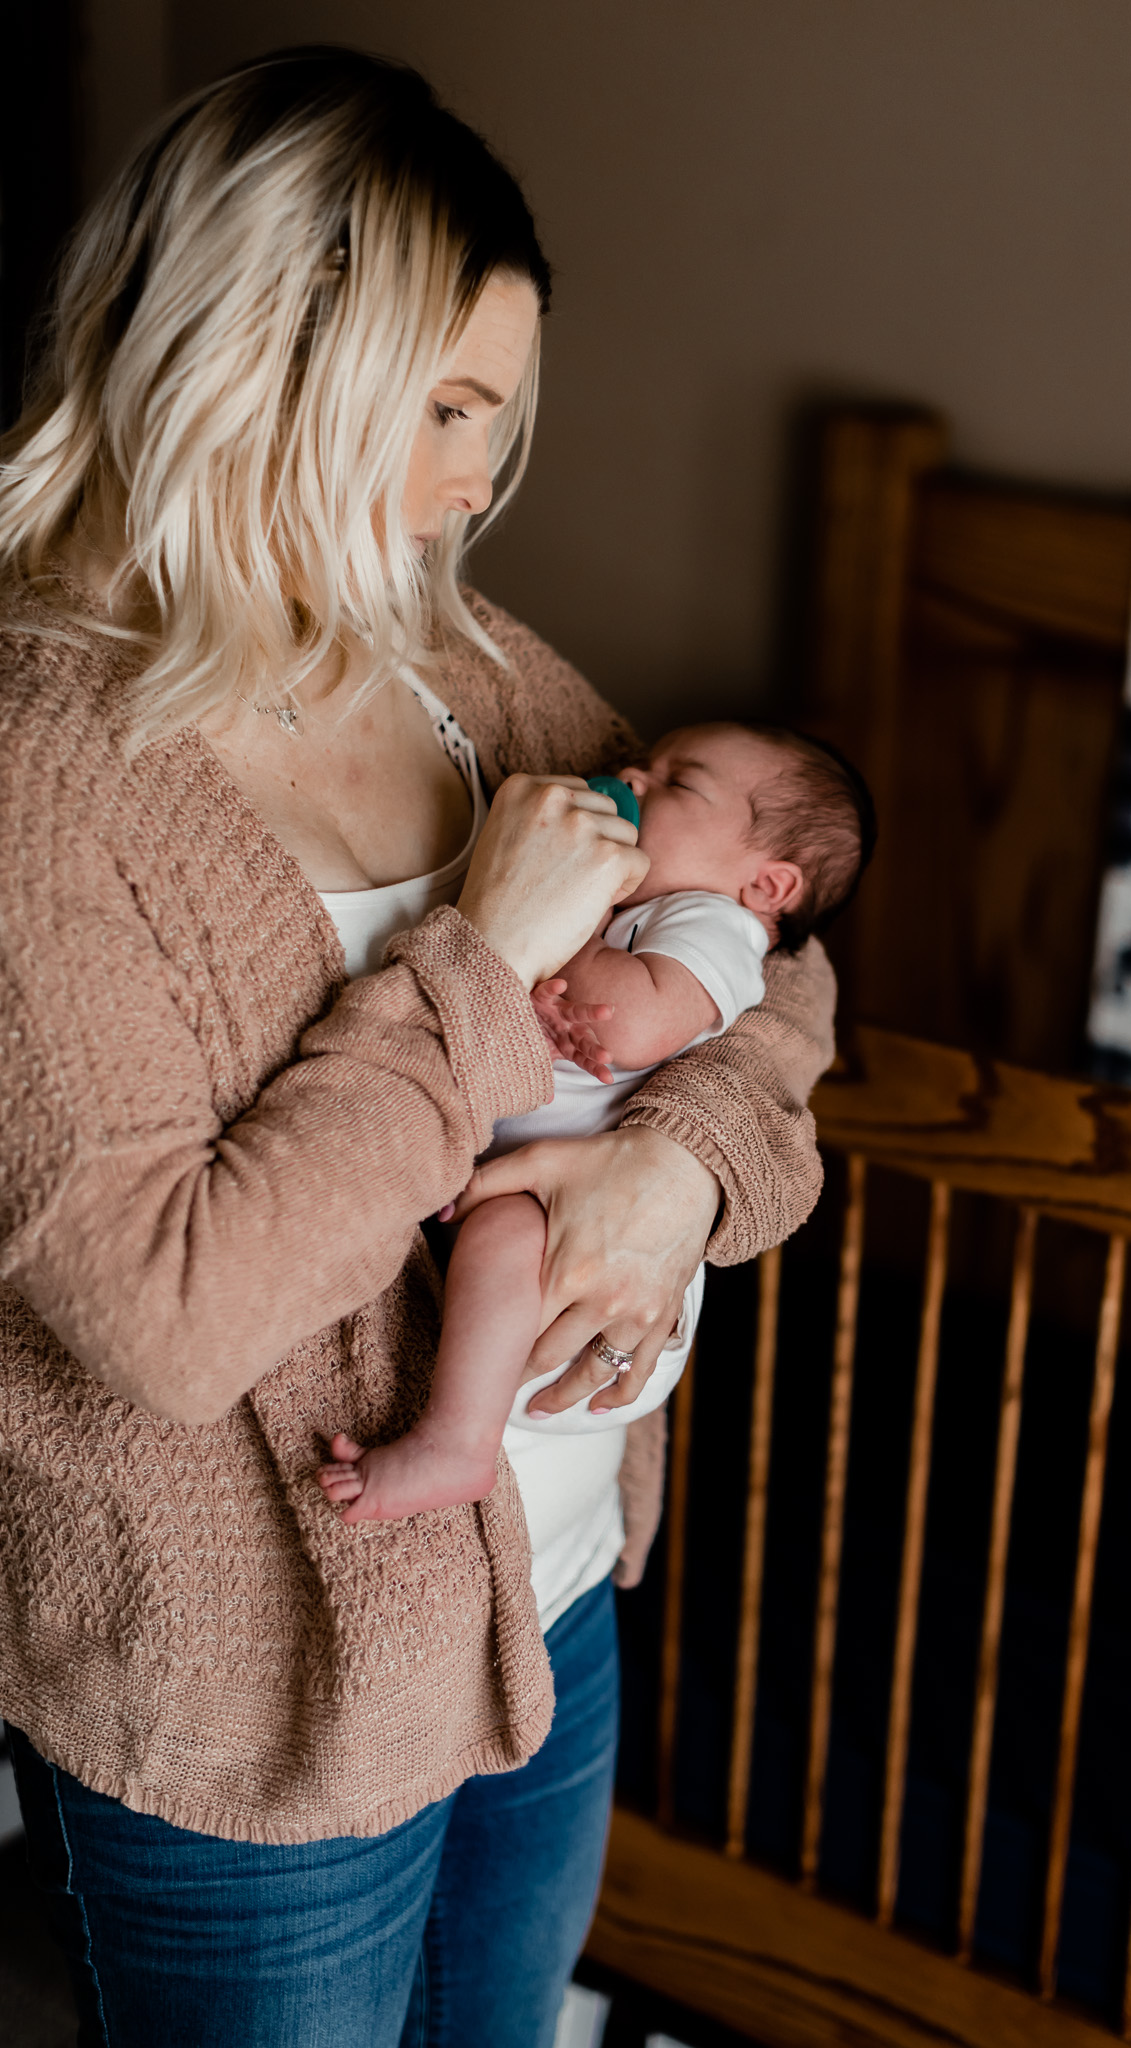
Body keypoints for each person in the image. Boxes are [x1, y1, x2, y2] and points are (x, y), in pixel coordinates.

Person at [0, 47, 836, 2048]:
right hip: (258, 1699)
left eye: (498, 421)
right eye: (447, 409)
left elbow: (773, 963)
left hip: (546, 1598)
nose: (476, 484)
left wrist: (677, 1164)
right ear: (247, 355)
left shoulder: (458, 665)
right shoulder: (45, 775)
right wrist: (476, 963)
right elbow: (172, 1314)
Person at [318, 719, 873, 1522]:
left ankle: (456, 1444)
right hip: (539, 1202)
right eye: (644, 767)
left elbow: (635, 1024)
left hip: (577, 1260)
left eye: (678, 783)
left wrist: (554, 915)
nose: (632, 779)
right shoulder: (654, 912)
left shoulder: (717, 927)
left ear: (768, 887)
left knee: (502, 1232)